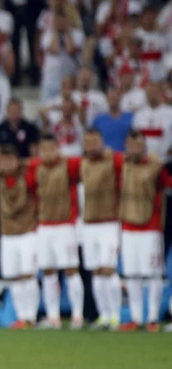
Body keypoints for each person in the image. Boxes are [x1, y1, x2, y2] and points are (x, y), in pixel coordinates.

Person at [26, 134, 85, 330]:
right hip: (44, 225)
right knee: (48, 271)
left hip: (65, 225)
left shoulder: (69, 165)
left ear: (58, 148)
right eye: (44, 149)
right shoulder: (36, 167)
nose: (48, 152)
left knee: (70, 270)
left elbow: (87, 163)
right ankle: (53, 317)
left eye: (51, 148)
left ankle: (77, 316)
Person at [118, 131, 171, 332]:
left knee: (153, 274)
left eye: (138, 145)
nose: (134, 149)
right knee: (132, 274)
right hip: (128, 227)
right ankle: (136, 318)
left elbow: (169, 185)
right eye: (131, 145)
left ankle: (153, 319)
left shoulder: (155, 166)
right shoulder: (122, 166)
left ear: (145, 146)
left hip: (151, 227)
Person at [79, 129, 123, 330]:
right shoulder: (83, 164)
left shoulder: (113, 161)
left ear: (102, 142)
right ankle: (104, 315)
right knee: (95, 271)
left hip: (108, 222)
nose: (91, 146)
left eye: (94, 141)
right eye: (87, 142)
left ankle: (116, 315)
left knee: (108, 269)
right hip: (89, 224)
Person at [0, 145, 39, 328]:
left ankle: (31, 317)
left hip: (27, 232)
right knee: (14, 277)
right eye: (3, 161)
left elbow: (39, 165)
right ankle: (21, 316)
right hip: (7, 235)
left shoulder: (28, 177)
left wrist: (26, 163)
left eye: (10, 160)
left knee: (28, 275)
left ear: (18, 161)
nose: (7, 165)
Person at [92, 87, 134, 152]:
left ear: (120, 98)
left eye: (115, 97)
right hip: (104, 156)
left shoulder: (130, 118)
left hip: (124, 155)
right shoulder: (98, 120)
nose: (113, 100)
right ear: (107, 98)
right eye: (111, 97)